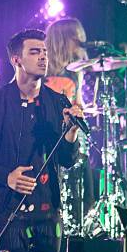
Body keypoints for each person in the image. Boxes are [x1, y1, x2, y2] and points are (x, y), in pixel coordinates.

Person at [0, 29, 82, 252]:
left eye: (45, 52)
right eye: (35, 52)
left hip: (48, 210)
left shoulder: (57, 103)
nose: (43, 57)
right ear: (16, 60)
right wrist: (6, 177)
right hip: (8, 210)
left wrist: (71, 133)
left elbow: (67, 160)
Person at [44, 18, 95, 229]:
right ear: (65, 41)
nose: (81, 43)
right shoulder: (61, 78)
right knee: (82, 190)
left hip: (63, 140)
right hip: (64, 141)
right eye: (77, 39)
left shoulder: (69, 73)